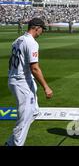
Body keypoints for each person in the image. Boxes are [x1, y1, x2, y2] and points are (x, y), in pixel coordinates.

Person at [5, 18, 53, 146]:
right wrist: (46, 87)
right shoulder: (31, 42)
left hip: (16, 79)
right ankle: (15, 144)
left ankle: (11, 142)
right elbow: (35, 68)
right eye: (42, 29)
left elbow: (11, 63)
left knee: (34, 111)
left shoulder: (18, 40)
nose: (42, 32)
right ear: (36, 27)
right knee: (24, 117)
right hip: (22, 82)